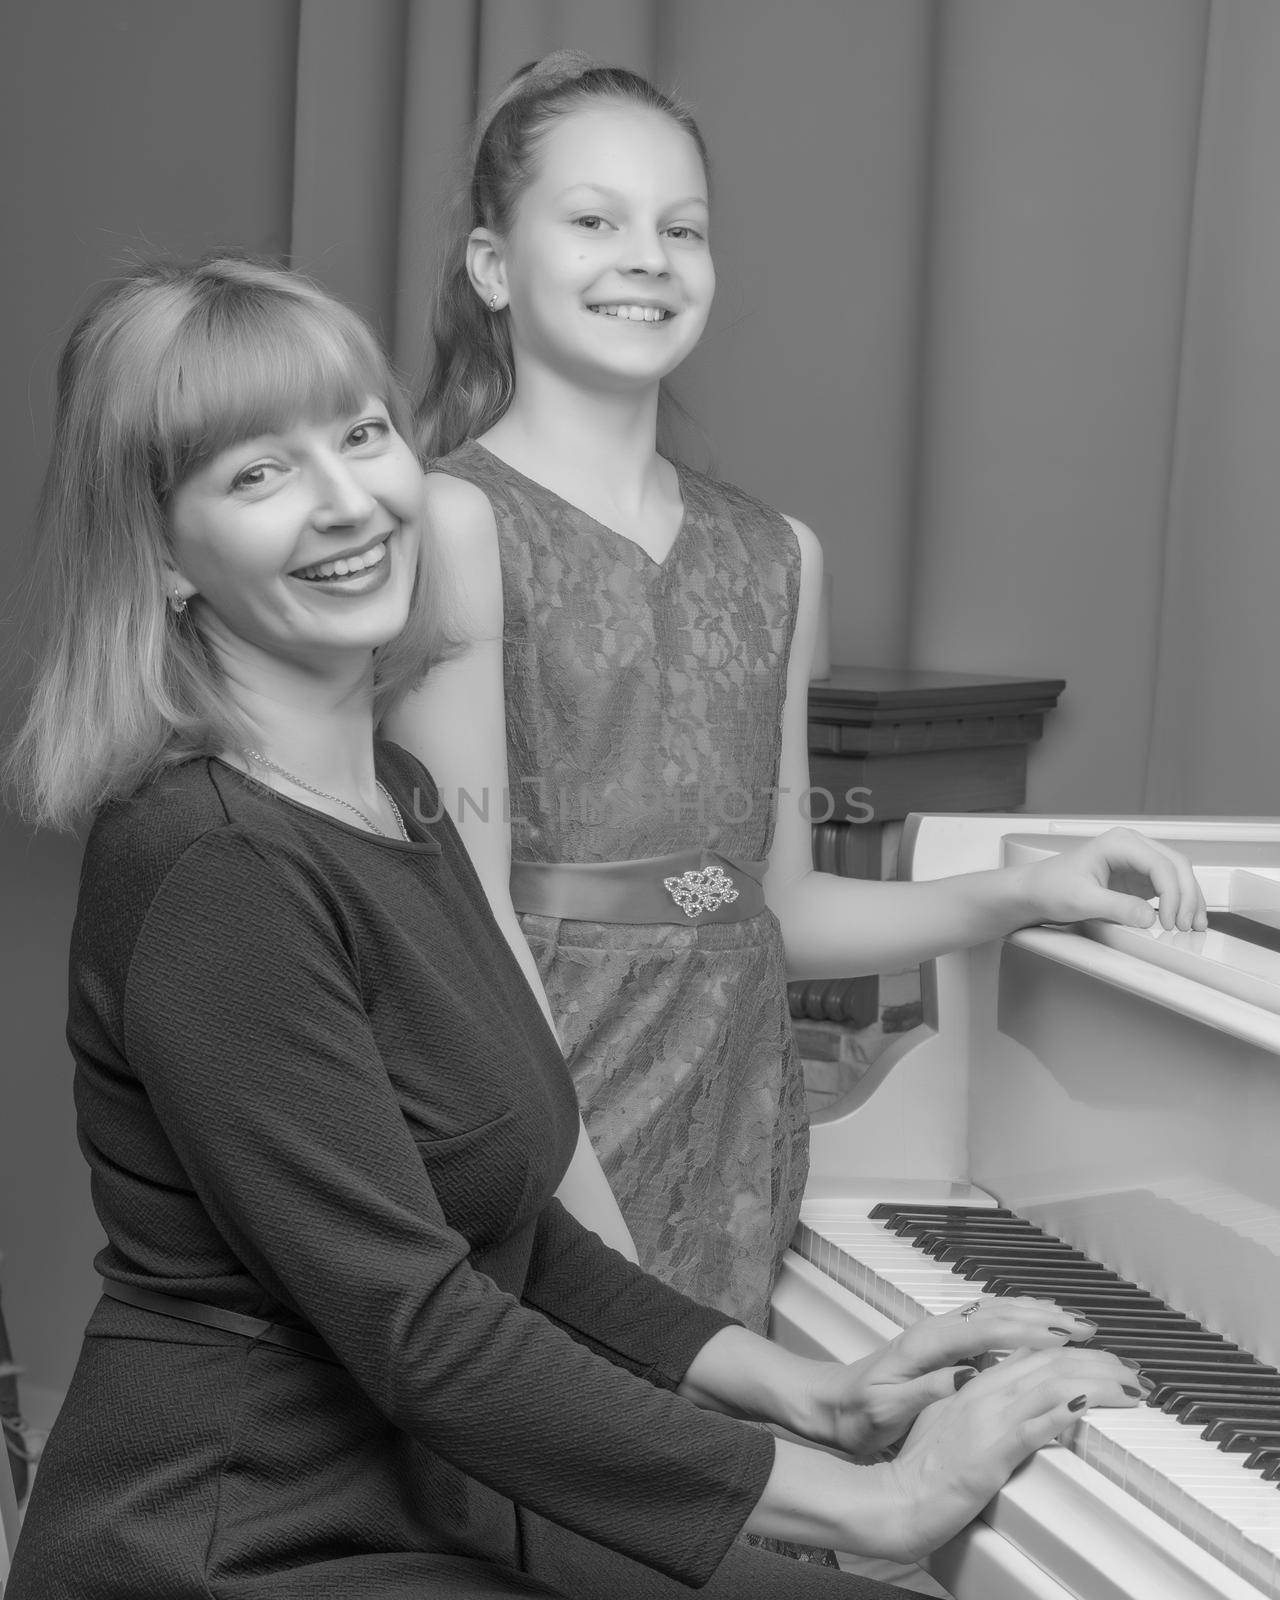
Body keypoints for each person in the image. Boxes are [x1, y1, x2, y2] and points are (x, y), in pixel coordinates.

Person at [2, 254, 1145, 1600]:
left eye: (360, 434)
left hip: (428, 1493)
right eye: (256, 475)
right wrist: (874, 1500)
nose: (345, 501)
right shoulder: (211, 863)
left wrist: (817, 1396)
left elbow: (514, 1231)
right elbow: (419, 1324)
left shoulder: (397, 796)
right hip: (246, 1539)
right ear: (164, 556)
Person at [393, 54, 1207, 1332]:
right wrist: (586, 1249)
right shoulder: (454, 522)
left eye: (681, 229)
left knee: (718, 1504)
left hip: (734, 1120)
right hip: (546, 1121)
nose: (646, 257)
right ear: (494, 268)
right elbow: (464, 936)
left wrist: (1024, 889)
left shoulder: (777, 555)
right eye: (593, 221)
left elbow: (778, 905)